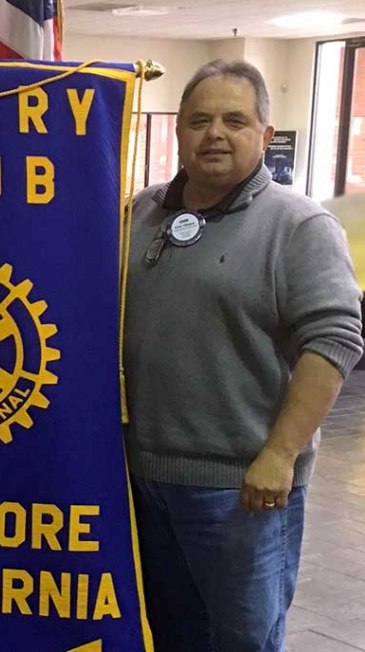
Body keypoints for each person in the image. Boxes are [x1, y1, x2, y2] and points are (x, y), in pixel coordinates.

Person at [124, 59, 363, 652]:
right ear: (177, 131)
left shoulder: (299, 225)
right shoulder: (139, 213)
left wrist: (280, 454)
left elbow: (335, 339)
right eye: (199, 120)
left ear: (264, 132)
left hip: (242, 492)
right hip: (138, 481)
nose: (215, 134)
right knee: (168, 635)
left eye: (235, 120)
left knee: (244, 641)